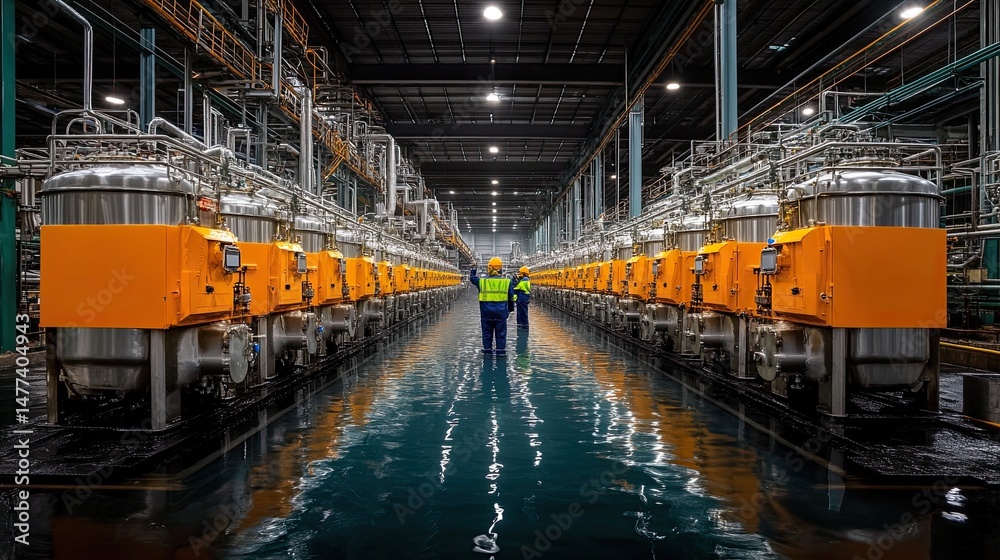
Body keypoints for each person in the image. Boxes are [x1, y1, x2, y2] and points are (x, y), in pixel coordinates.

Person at [470, 257, 515, 355]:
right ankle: (500, 353)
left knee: (487, 334)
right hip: (501, 314)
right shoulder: (507, 282)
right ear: (500, 269)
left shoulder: (482, 282)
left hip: (486, 314)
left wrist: (473, 268)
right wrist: (510, 310)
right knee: (501, 335)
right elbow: (511, 298)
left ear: (489, 268)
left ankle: (488, 352)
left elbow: (472, 278)